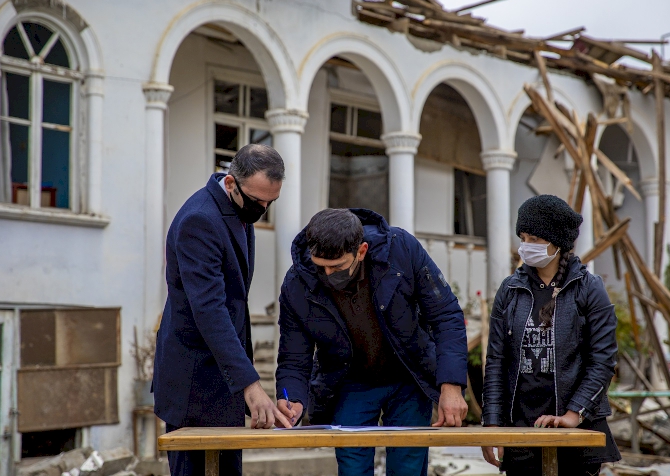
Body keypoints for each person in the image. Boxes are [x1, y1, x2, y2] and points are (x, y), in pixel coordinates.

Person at [275, 208, 468, 476]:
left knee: (408, 467)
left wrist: (452, 385)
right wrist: (292, 397)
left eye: (338, 267)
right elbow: (294, 356)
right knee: (352, 466)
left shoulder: (401, 250)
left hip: (408, 373)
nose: (328, 275)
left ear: (362, 251)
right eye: (321, 267)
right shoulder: (297, 283)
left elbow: (445, 314)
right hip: (349, 380)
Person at [153, 144, 292, 476]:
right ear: (231, 183)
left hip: (221, 382)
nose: (263, 209)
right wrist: (250, 385)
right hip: (194, 382)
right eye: (258, 201)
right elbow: (210, 310)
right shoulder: (199, 220)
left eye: (271, 202)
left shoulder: (238, 207)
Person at [481, 194, 621, 476]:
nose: (526, 246)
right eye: (522, 237)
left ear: (557, 242)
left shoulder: (588, 289)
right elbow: (496, 361)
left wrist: (573, 415)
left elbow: (603, 362)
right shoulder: (509, 291)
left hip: (577, 434)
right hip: (520, 429)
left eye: (534, 238)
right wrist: (492, 423)